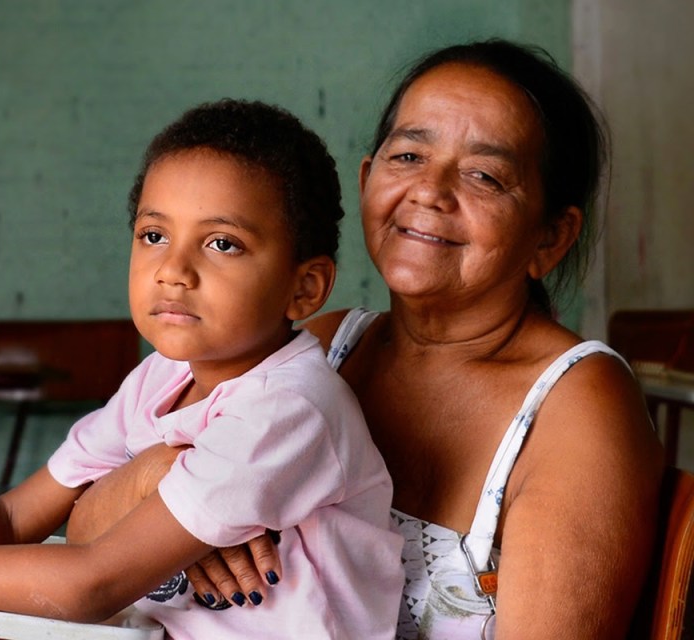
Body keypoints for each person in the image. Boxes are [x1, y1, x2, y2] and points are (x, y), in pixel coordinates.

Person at [65, 40, 665, 639]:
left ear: (551, 237)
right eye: (407, 156)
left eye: (484, 175)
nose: (429, 190)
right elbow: (86, 532)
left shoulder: (578, 406)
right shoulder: (320, 349)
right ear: (367, 179)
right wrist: (163, 479)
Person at [0, 98, 404, 639]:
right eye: (154, 235)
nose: (172, 270)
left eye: (222, 243)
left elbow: (88, 583)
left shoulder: (287, 407)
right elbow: (12, 518)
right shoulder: (158, 379)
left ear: (306, 289)